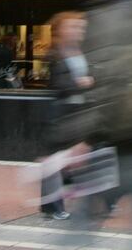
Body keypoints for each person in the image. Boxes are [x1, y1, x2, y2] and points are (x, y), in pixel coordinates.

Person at [39, 11, 92, 220]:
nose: (78, 31)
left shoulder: (81, 51)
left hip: (78, 111)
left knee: (74, 158)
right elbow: (57, 84)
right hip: (59, 114)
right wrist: (80, 83)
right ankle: (52, 207)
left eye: (80, 27)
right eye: (73, 27)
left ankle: (80, 200)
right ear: (60, 30)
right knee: (55, 161)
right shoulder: (54, 54)